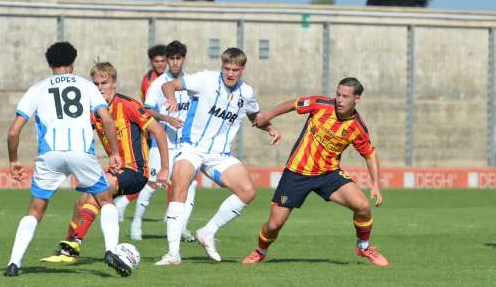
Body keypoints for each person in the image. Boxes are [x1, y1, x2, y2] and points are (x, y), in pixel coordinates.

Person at [3, 42, 131, 277]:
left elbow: (13, 132)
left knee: (35, 210)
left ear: (49, 63)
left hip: (49, 155)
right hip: (80, 152)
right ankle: (111, 250)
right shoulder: (86, 85)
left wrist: (14, 161)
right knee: (105, 201)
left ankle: (14, 263)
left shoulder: (37, 89)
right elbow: (107, 119)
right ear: (73, 63)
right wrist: (114, 153)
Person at [241, 77, 390, 267]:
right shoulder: (320, 104)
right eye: (338, 94)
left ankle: (363, 246)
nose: (340, 100)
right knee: (274, 225)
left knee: (363, 206)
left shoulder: (357, 127)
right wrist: (267, 116)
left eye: (345, 96)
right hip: (297, 173)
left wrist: (376, 183)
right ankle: (260, 252)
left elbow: (370, 154)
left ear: (357, 99)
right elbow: (293, 104)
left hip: (328, 174)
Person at [155, 47, 281, 266]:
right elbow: (169, 85)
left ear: (242, 69)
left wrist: (270, 128)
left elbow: (254, 117)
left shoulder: (247, 93)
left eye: (235, 69)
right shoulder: (205, 79)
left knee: (248, 191)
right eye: (226, 68)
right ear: (221, 66)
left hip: (219, 154)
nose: (230, 73)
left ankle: (207, 231)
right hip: (192, 146)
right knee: (179, 186)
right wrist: (171, 98)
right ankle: (173, 253)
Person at [40, 62, 169, 264]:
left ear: (114, 83)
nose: (100, 87)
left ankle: (74, 243)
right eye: (96, 84)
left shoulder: (128, 105)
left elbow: (159, 132)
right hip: (115, 171)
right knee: (81, 202)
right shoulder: (95, 112)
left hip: (136, 171)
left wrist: (164, 168)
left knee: (97, 190)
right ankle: (67, 249)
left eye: (104, 82)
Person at [129, 40, 198, 241]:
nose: (175, 62)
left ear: (184, 59)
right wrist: (167, 118)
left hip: (186, 144)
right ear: (167, 60)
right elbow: (146, 110)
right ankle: (136, 223)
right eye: (172, 59)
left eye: (179, 58)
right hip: (163, 142)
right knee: (153, 184)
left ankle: (182, 227)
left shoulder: (191, 82)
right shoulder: (157, 85)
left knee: (190, 185)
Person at [115, 44, 167, 220]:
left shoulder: (165, 78)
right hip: (153, 131)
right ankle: (122, 205)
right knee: (148, 177)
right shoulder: (150, 81)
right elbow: (149, 109)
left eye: (162, 60)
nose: (160, 64)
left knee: (164, 177)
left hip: (162, 129)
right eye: (156, 61)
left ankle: (172, 214)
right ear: (152, 62)